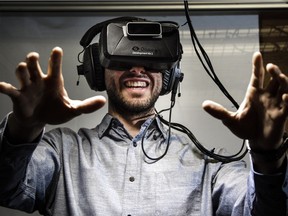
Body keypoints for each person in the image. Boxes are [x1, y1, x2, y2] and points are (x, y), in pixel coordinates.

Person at [0, 17, 287, 216]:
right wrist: (25, 126)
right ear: (97, 72)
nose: (137, 69)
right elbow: (6, 188)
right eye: (123, 59)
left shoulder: (209, 165)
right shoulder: (60, 151)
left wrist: (267, 153)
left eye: (151, 61)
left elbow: (265, 211)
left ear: (169, 75)